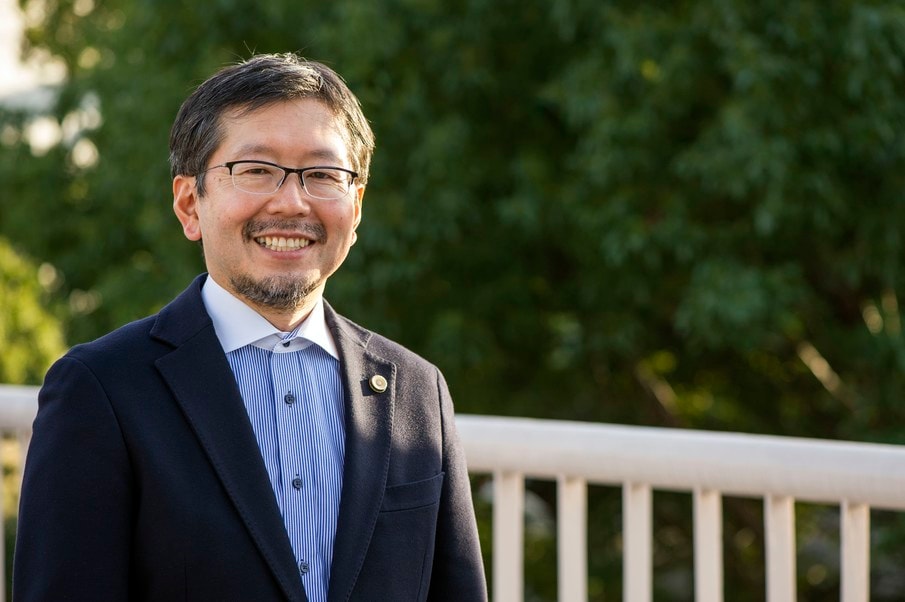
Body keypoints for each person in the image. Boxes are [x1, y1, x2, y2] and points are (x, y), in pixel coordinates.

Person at [14, 53, 487, 602]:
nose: (291, 202)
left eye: (322, 175)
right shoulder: (100, 389)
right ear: (190, 204)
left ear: (356, 207)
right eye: (257, 170)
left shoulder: (417, 391)